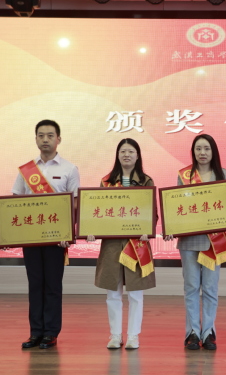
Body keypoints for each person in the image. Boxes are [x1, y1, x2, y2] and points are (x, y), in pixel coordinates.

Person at [164, 134, 226, 351]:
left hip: (213, 242)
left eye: (206, 148)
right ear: (193, 152)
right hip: (189, 240)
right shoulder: (184, 175)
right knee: (191, 287)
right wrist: (171, 227)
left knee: (211, 289)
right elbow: (176, 205)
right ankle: (193, 332)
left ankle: (208, 332)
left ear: (213, 151)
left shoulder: (223, 174)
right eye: (198, 149)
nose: (202, 153)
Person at [11, 119, 80, 349]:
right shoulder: (26, 170)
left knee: (52, 285)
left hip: (56, 239)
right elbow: (15, 201)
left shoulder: (69, 169)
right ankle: (35, 332)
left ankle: (50, 332)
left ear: (58, 139)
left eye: (50, 135)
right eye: (41, 135)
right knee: (35, 284)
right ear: (36, 139)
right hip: (31, 238)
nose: (45, 140)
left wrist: (68, 233)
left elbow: (75, 204)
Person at [87, 138, 156, 350]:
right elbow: (98, 211)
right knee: (113, 293)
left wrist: (148, 229)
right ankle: (115, 335)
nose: (127, 155)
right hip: (113, 244)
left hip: (137, 244)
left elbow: (152, 212)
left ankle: (133, 336)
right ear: (117, 155)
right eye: (123, 151)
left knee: (136, 293)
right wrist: (91, 229)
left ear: (138, 155)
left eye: (131, 151)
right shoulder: (107, 181)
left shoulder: (146, 181)